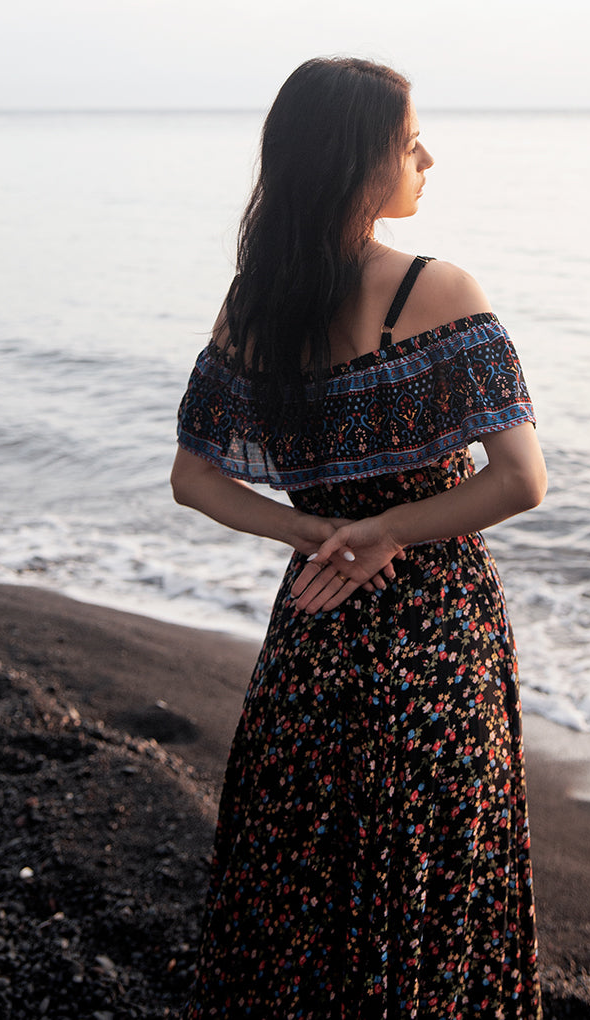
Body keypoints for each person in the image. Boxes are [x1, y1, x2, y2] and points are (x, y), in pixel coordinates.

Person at [171, 57, 546, 1019]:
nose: (427, 155)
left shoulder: (253, 306)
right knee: (433, 894)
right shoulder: (439, 287)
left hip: (315, 628)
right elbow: (520, 480)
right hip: (434, 637)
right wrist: (386, 531)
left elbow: (194, 478)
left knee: (299, 896)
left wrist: (319, 531)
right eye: (408, 137)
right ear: (354, 161)